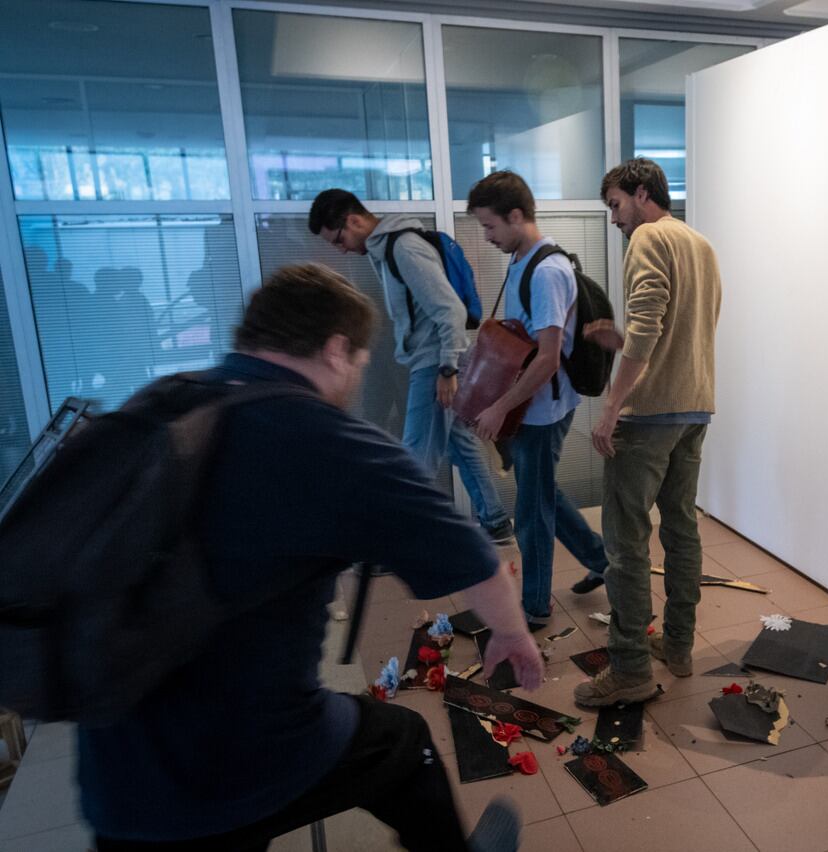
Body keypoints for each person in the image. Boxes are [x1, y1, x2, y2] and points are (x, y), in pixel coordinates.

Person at [80, 264, 542, 851]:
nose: (352, 379)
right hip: (242, 755)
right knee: (404, 746)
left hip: (114, 767)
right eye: (358, 364)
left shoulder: (164, 402)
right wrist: (512, 634)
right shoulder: (322, 436)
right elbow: (473, 556)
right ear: (335, 349)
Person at [573, 159, 723, 707]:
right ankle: (679, 647)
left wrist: (613, 407)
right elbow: (681, 327)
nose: (614, 218)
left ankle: (631, 668)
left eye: (615, 205)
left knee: (625, 544)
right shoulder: (700, 245)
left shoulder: (647, 238)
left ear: (641, 193)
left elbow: (650, 321)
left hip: (649, 416)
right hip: (693, 409)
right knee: (681, 529)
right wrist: (624, 342)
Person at [309, 189, 514, 546]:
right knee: (459, 442)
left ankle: (397, 543)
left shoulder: (403, 247)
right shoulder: (385, 249)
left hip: (435, 362)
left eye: (339, 239)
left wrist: (448, 369)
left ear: (353, 220)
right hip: (432, 359)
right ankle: (496, 521)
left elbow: (449, 310)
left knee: (415, 455)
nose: (341, 249)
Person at [464, 170, 610, 630]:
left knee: (531, 511)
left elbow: (547, 359)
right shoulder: (521, 260)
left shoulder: (547, 271)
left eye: (490, 227)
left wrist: (500, 406)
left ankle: (535, 608)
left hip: (541, 410)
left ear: (516, 215)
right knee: (541, 494)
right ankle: (601, 559)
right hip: (532, 405)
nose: (486, 237)